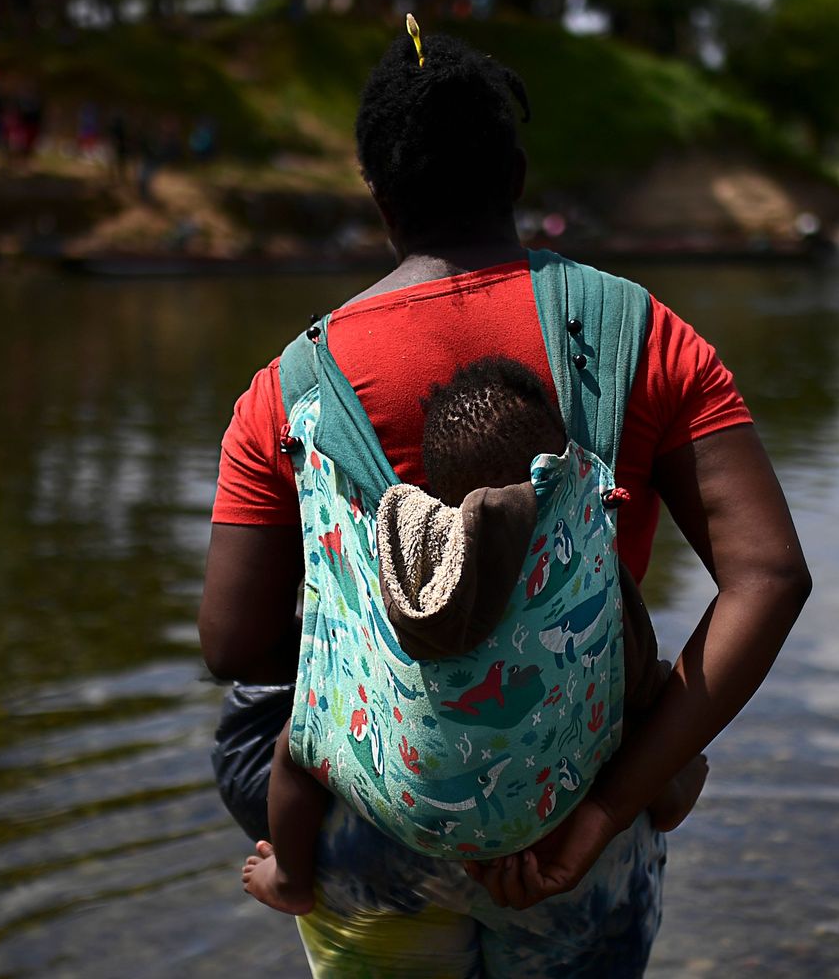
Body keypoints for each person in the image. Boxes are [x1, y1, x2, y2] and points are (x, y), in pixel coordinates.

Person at [200, 24, 809, 975]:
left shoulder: (290, 387)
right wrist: (610, 809)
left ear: (377, 194)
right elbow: (769, 576)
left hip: (371, 821)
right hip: (577, 807)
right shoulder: (646, 336)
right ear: (517, 175)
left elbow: (233, 645)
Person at [240, 355, 706, 917]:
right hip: (555, 808)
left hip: (406, 815)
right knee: (639, 690)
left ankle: (289, 876)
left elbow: (232, 645)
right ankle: (672, 791)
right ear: (557, 470)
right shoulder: (575, 566)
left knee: (298, 743)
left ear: (437, 489)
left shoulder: (406, 564)